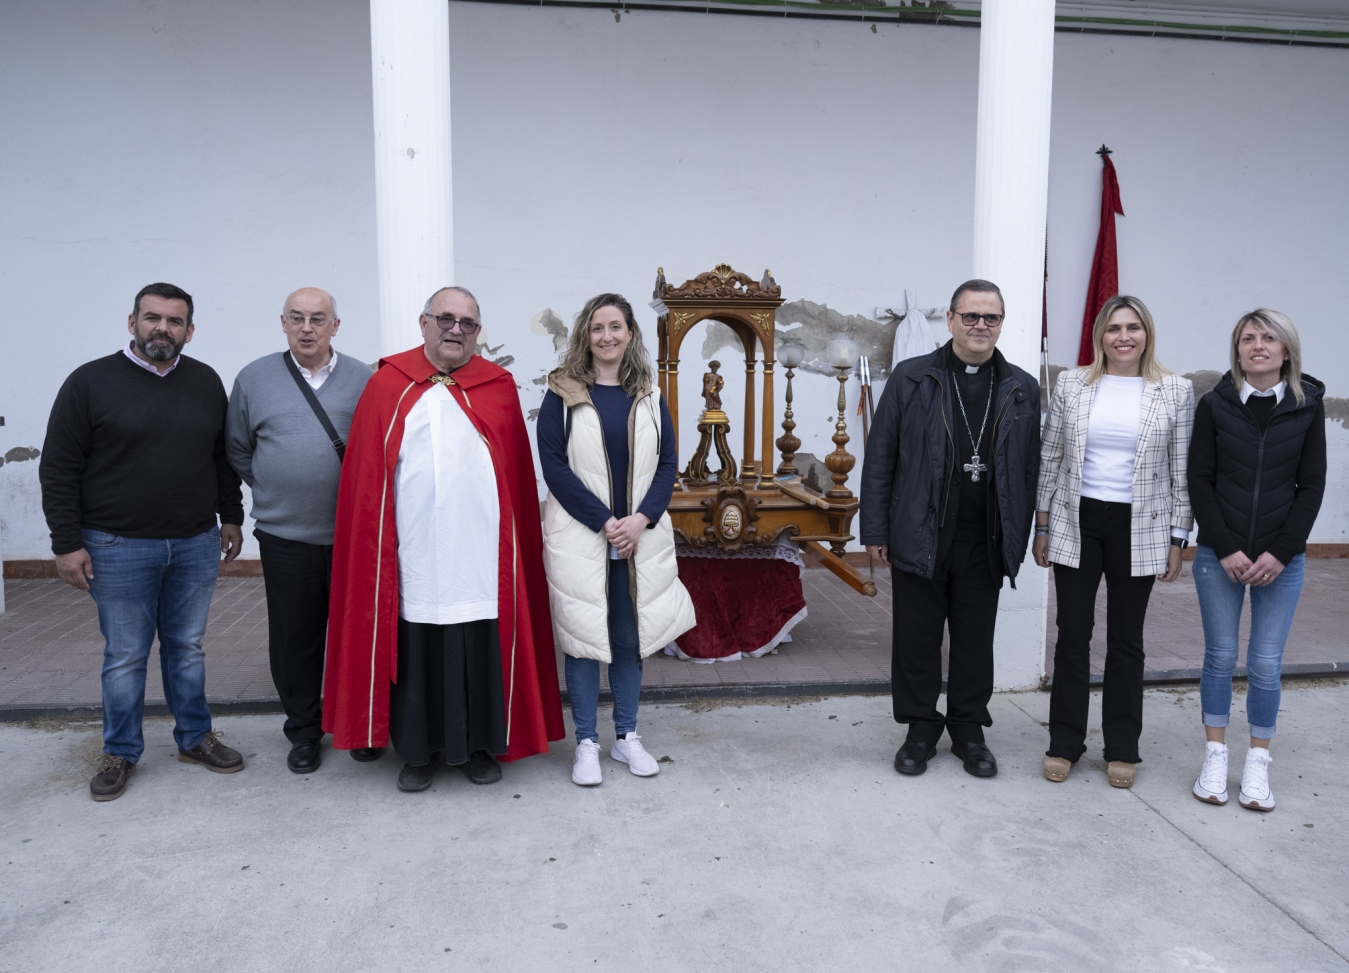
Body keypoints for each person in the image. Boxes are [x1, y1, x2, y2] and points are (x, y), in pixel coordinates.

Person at [322, 286, 565, 792]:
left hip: (481, 556)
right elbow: (367, 482)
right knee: (417, 650)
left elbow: (516, 477)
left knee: (479, 648)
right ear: (424, 322)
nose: (456, 329)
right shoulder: (389, 384)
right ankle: (418, 753)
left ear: (478, 332)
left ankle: (478, 748)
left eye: (468, 323)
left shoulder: (497, 386)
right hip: (413, 555)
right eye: (445, 319)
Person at [39, 282, 246, 801]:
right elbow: (59, 468)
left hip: (196, 542)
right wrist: (66, 543)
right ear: (131, 322)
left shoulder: (204, 381)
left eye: (175, 322)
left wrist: (231, 515)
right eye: (152, 318)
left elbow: (220, 457)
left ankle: (195, 738)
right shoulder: (89, 383)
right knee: (126, 654)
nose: (163, 329)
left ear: (190, 331)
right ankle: (120, 752)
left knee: (186, 648)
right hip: (116, 545)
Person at [860, 279, 1040, 778]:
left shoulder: (1022, 386)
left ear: (1002, 323)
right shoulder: (911, 379)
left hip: (986, 538)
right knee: (916, 640)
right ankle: (920, 730)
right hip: (921, 532)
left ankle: (968, 731)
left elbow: (1029, 469)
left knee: (974, 640)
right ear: (951, 319)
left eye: (992, 318)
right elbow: (880, 460)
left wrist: (1018, 535)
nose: (981, 326)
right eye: (971, 316)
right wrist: (875, 528)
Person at [1033, 295, 1193, 788]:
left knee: (1127, 641)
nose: (1124, 337)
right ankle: (1065, 743)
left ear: (1147, 334)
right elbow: (1051, 455)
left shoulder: (1175, 390)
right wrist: (1041, 526)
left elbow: (1180, 472)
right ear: (1100, 335)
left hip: (1139, 526)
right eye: (1114, 328)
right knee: (1072, 636)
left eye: (1134, 327)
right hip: (1076, 519)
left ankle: (1123, 747)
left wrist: (1178, 538)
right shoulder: (1072, 385)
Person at [536, 293, 695, 786]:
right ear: (586, 334)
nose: (607, 336)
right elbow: (554, 467)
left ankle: (625, 737)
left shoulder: (648, 393)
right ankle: (586, 742)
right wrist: (606, 521)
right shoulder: (561, 392)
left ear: (630, 334)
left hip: (638, 538)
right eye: (598, 327)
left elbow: (668, 462)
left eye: (616, 327)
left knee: (630, 639)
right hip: (584, 535)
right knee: (584, 638)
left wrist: (642, 518)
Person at [226, 288, 375, 774]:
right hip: (286, 536)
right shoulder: (254, 378)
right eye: (297, 319)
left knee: (357, 635)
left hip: (354, 537)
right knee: (295, 639)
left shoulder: (363, 378)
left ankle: (359, 727)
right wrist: (275, 484)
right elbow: (238, 448)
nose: (307, 327)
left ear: (336, 325)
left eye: (318, 319)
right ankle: (305, 732)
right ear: (283, 323)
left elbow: (378, 446)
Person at [1189, 310, 1325, 812]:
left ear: (1286, 349)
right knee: (1220, 657)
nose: (1258, 346)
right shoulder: (1215, 406)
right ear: (1238, 349)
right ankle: (1215, 757)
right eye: (1248, 338)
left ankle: (1258, 766)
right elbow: (1199, 481)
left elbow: (1311, 488)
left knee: (1266, 665)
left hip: (1281, 559)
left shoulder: (1307, 408)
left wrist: (1280, 552)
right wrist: (1224, 547)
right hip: (1217, 555)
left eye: (1269, 338)